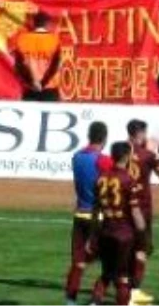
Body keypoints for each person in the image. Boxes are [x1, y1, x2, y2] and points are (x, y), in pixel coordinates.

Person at [91, 141, 147, 306]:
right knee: (123, 276)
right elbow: (136, 213)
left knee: (107, 272)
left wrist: (94, 235)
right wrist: (142, 234)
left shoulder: (101, 178)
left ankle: (94, 302)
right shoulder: (128, 180)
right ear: (127, 156)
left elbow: (96, 211)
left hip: (105, 231)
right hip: (124, 234)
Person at [65, 121, 113, 306]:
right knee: (110, 263)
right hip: (98, 218)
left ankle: (70, 302)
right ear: (104, 138)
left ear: (89, 135)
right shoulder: (103, 160)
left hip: (80, 215)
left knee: (78, 262)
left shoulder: (76, 157)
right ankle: (96, 298)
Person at [127, 119, 159, 303]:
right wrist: (158, 153)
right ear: (141, 134)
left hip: (123, 206)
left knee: (125, 248)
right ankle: (133, 292)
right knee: (142, 249)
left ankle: (120, 289)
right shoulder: (147, 155)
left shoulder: (120, 151)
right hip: (142, 208)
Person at [10, 11, 63, 101]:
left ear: (34, 24)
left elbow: (18, 66)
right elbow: (57, 66)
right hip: (49, 89)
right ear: (47, 24)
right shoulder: (54, 41)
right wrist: (42, 83)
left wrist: (31, 82)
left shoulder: (22, 40)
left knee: (29, 114)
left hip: (29, 89)